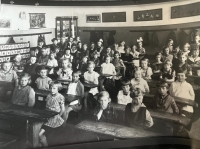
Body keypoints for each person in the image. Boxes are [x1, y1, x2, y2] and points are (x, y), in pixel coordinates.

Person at [39, 82, 65, 147]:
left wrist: (58, 116)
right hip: (46, 115)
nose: (52, 90)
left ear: (58, 89)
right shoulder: (49, 95)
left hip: (53, 118)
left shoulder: (60, 97)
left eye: (54, 88)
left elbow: (63, 109)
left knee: (39, 134)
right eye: (51, 88)